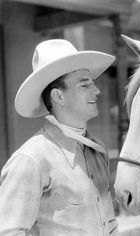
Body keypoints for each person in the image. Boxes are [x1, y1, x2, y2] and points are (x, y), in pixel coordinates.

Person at [0, 39, 118, 236]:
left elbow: (110, 224)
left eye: (93, 83)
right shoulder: (31, 159)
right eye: (84, 84)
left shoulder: (97, 149)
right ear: (59, 96)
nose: (96, 90)